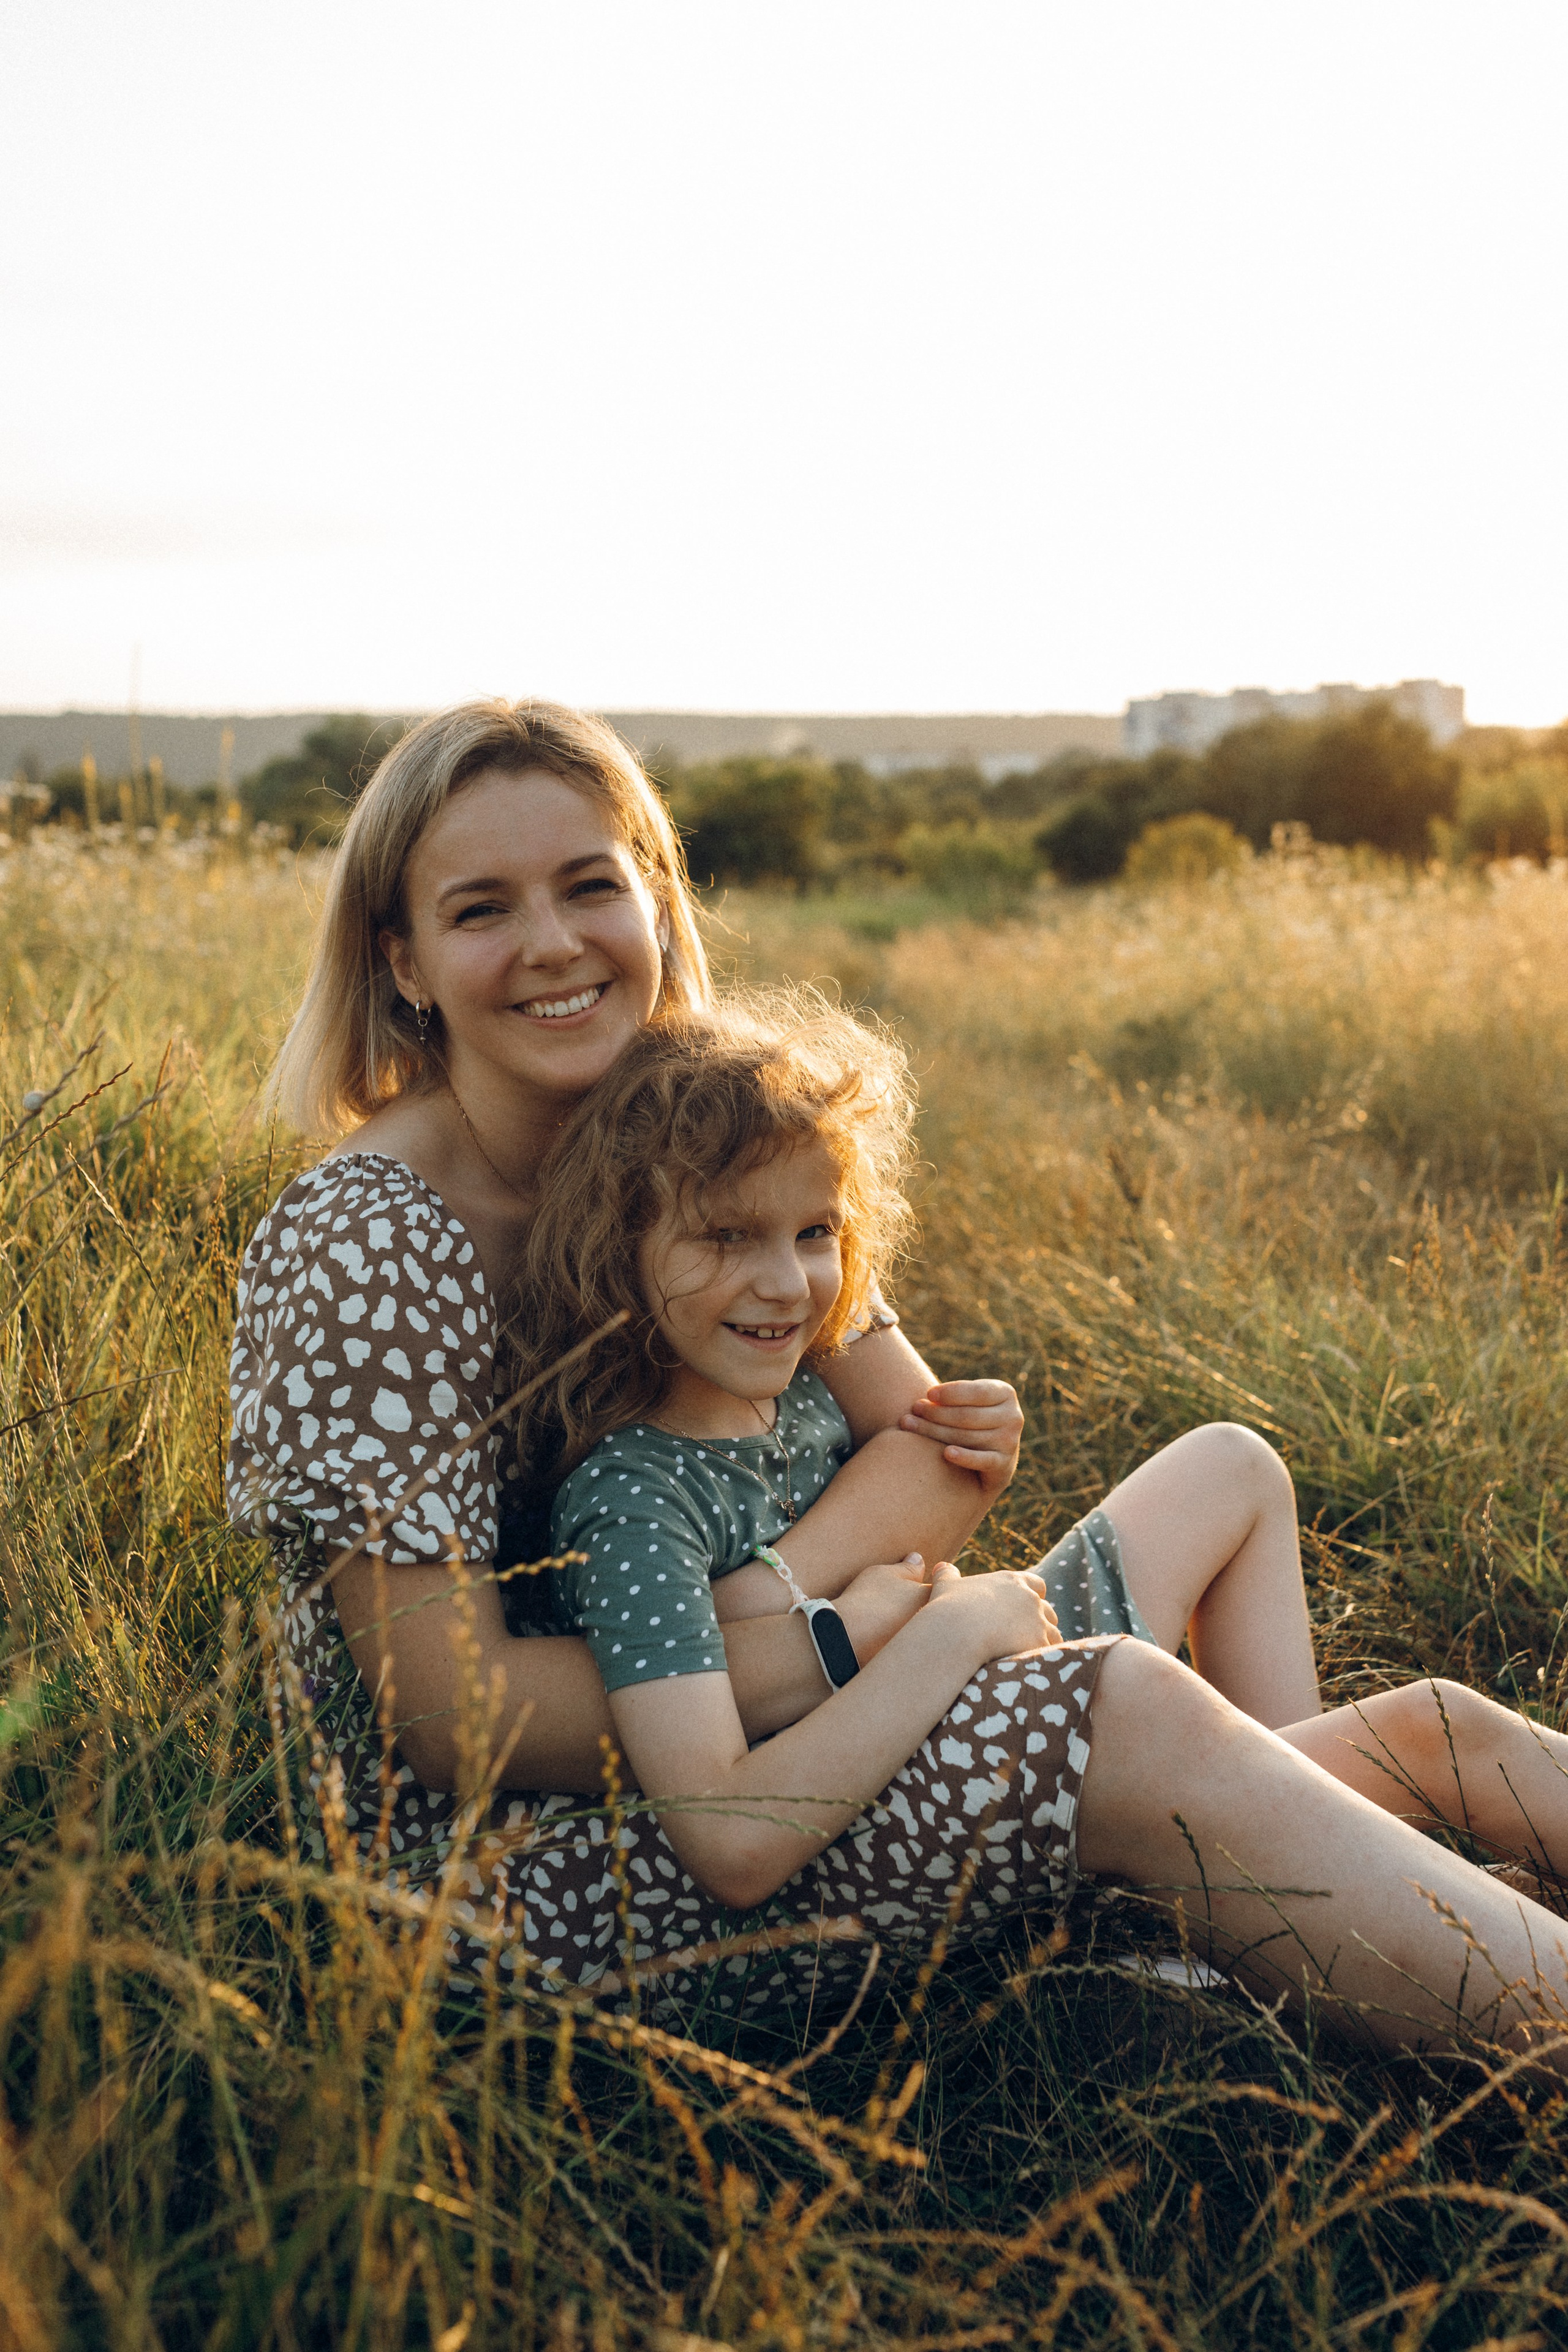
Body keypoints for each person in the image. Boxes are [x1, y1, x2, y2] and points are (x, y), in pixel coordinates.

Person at [227, 695, 1568, 2057]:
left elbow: (939, 1451)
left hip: (803, 1701)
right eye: (480, 910)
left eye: (590, 886)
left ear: (656, 902)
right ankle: (1309, 1915)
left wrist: (791, 1600)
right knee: (1119, 1706)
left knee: (1414, 1698)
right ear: (400, 962)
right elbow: (457, 1717)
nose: (554, 944)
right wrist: (835, 1643)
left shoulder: (698, 1141)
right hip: (532, 1872)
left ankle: (1268, 1930)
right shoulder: (369, 1238)